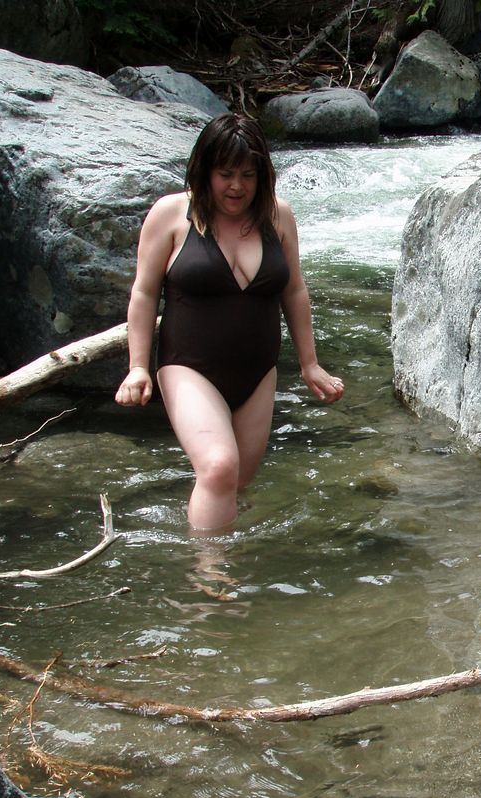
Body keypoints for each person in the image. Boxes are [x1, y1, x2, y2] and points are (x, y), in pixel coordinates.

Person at [114, 113, 344, 531]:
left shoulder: (278, 216)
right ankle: (210, 571)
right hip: (188, 367)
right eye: (225, 174)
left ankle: (225, 559)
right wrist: (137, 367)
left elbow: (294, 291)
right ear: (204, 171)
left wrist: (310, 364)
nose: (237, 186)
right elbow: (144, 293)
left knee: (236, 483)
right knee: (219, 466)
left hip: (257, 373)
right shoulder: (171, 214)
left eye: (247, 175)